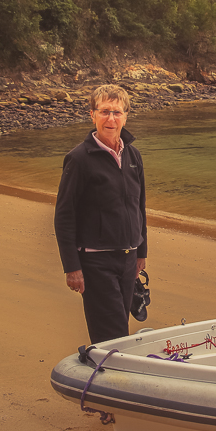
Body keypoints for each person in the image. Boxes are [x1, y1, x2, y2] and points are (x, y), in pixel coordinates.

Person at [54, 84, 147, 343]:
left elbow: (139, 206)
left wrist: (141, 251)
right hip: (96, 262)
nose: (111, 119)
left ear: (126, 116)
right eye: (104, 112)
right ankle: (109, 366)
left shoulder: (133, 156)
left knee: (119, 328)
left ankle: (109, 365)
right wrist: (72, 267)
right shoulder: (79, 159)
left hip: (128, 258)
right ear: (92, 115)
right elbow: (64, 215)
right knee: (111, 333)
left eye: (117, 112)